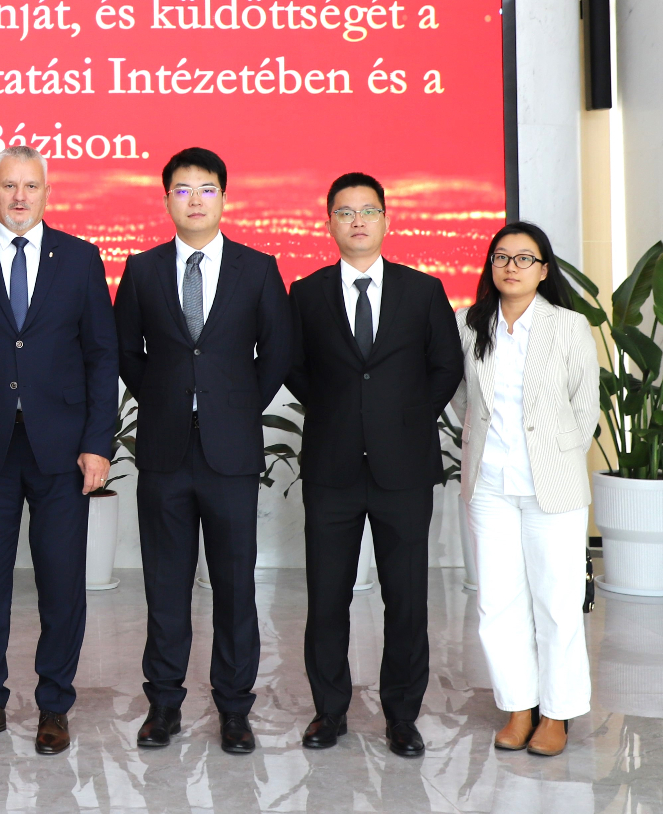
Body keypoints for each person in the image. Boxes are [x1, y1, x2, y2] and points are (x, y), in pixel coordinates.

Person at [0, 145, 118, 756]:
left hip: (62, 451)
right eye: (9, 185)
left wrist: (98, 443)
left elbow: (102, 356)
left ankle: (54, 705)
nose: (19, 196)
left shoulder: (81, 259)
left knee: (62, 582)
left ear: (47, 193)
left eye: (30, 186)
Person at [114, 147, 292, 755]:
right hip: (165, 449)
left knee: (234, 586)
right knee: (165, 586)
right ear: (166, 198)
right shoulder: (142, 269)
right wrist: (167, 398)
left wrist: (234, 405)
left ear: (224, 197)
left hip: (231, 452)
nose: (195, 200)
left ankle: (235, 709)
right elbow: (127, 351)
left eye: (206, 189)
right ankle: (163, 705)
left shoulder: (257, 268)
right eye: (183, 189)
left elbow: (277, 350)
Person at [286, 173, 464, 757]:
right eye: (345, 212)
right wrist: (337, 410)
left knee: (406, 599)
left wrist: (406, 417)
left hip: (403, 467)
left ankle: (402, 716)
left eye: (368, 210)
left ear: (386, 219)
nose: (357, 220)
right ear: (329, 223)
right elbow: (294, 366)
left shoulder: (423, 290)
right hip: (332, 466)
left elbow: (445, 365)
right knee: (327, 597)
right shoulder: (306, 293)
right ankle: (329, 711)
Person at [451, 223, 598, 757]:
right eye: (501, 257)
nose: (510, 266)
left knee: (557, 603)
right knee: (497, 603)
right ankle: (519, 706)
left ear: (543, 270)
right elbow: (461, 397)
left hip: (551, 484)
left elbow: (585, 407)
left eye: (523, 258)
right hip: (490, 483)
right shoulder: (470, 325)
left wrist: (556, 454)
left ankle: (557, 713)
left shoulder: (568, 326)